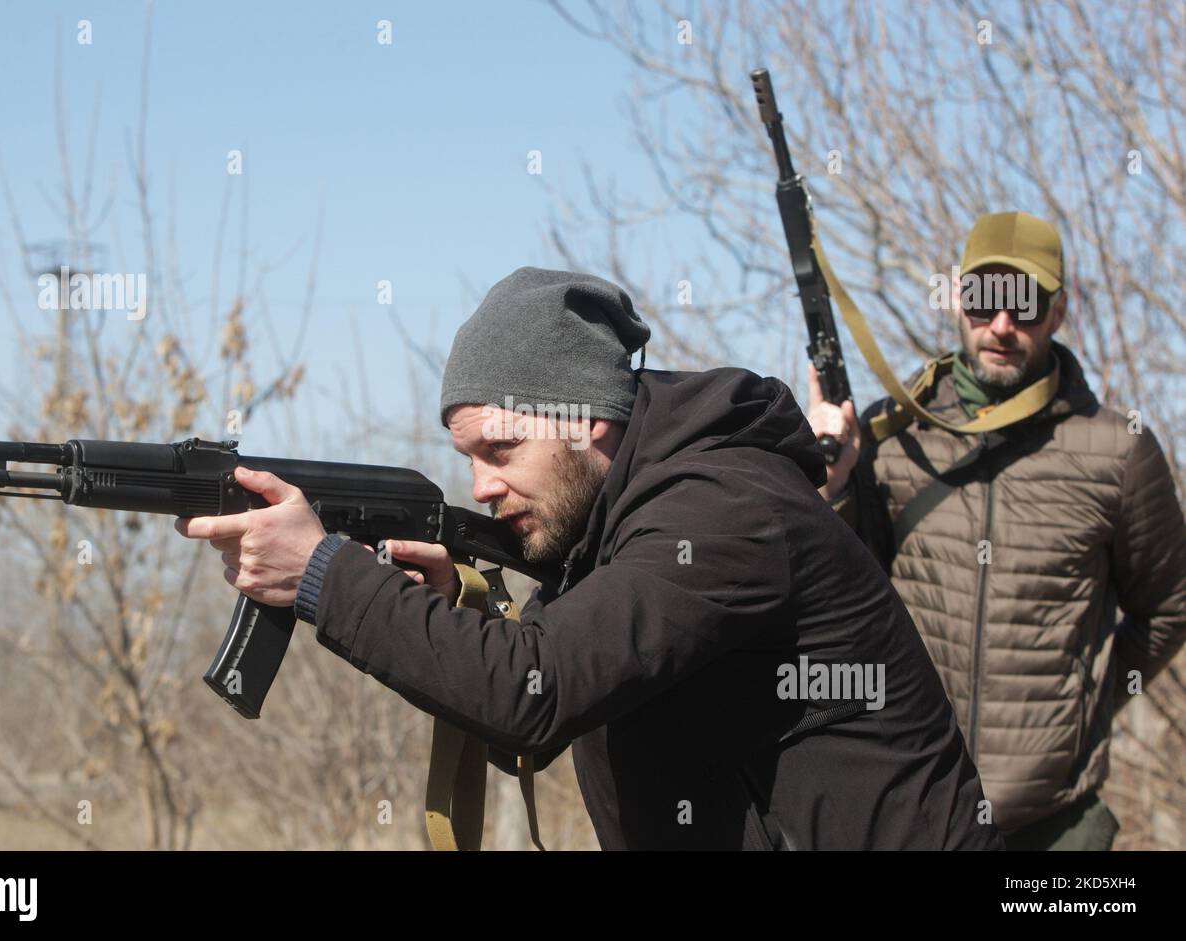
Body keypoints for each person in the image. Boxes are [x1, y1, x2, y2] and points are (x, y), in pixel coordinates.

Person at [177, 266, 1001, 850]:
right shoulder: (613, 530)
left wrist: (323, 572)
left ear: (587, 420)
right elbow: (534, 718)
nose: (483, 486)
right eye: (468, 457)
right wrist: (452, 609)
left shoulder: (723, 508)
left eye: (501, 449)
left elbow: (533, 690)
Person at [807, 211, 1186, 850]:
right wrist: (833, 487)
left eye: (1027, 304)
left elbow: (1170, 607)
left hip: (1055, 826)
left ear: (1059, 312)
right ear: (960, 300)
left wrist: (1081, 707)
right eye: (986, 300)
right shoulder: (895, 435)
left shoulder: (1117, 451)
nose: (1003, 326)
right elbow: (844, 591)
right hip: (913, 802)